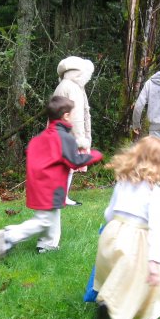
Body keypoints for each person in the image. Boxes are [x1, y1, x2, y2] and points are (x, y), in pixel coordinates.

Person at [93, 136, 160, 319]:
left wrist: (112, 228)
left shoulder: (122, 182)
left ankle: (113, 304)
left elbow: (109, 212)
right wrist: (155, 263)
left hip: (112, 233)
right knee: (141, 280)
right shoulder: (155, 194)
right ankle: (115, 309)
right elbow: (156, 231)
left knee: (121, 275)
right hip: (135, 241)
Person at [0, 96, 103, 258]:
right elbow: (74, 162)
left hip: (37, 184)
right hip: (51, 186)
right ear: (66, 116)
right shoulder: (64, 138)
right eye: (72, 114)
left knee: (52, 215)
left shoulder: (39, 138)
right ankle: (9, 236)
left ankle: (47, 244)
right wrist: (94, 155)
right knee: (44, 220)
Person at [53, 56, 94, 206]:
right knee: (67, 167)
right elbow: (76, 117)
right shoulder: (73, 88)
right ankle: (62, 197)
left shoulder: (63, 85)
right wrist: (80, 140)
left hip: (58, 132)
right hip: (69, 134)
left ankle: (61, 196)